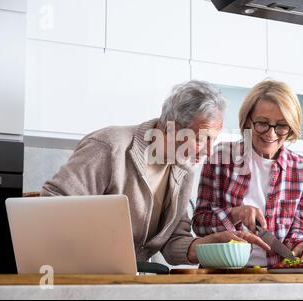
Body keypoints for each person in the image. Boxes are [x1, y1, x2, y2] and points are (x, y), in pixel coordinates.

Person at [41, 80, 270, 266]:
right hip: (81, 277)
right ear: (171, 126)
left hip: (129, 282)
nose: (209, 152)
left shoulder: (183, 169)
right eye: (202, 139)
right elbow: (51, 206)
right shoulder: (110, 147)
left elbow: (173, 242)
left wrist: (211, 244)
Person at [193, 80, 303, 266]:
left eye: (281, 126)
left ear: (291, 127)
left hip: (278, 276)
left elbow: (299, 233)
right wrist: (236, 214)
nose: (271, 134)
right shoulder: (220, 157)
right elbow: (199, 224)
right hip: (223, 274)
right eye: (262, 123)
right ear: (247, 121)